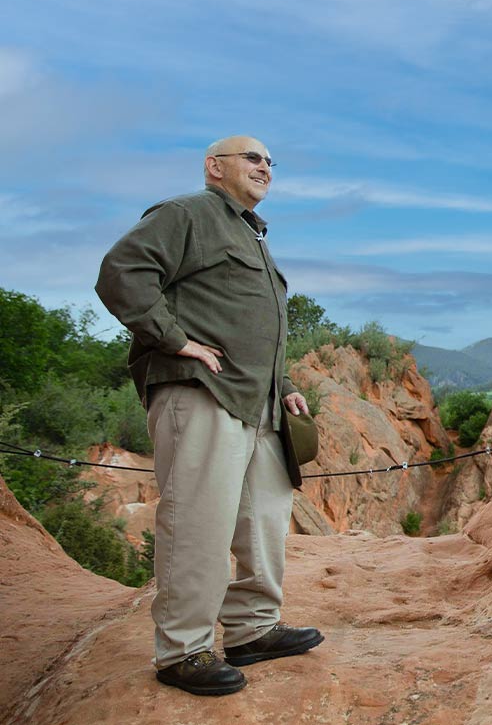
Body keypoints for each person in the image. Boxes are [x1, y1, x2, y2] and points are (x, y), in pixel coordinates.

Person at [95, 136, 323, 697]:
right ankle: (183, 650)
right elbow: (121, 271)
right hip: (200, 390)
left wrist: (285, 384)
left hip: (258, 400)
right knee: (198, 522)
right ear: (214, 167)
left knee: (262, 521)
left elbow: (248, 324)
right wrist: (174, 341)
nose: (265, 166)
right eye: (253, 157)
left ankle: (252, 630)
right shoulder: (187, 214)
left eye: (271, 161)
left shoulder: (250, 232)